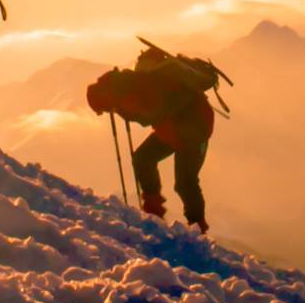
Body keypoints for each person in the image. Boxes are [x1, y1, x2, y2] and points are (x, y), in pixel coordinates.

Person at [85, 44, 225, 233]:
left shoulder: (127, 93)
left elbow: (150, 114)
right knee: (163, 170)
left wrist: (125, 112)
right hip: (176, 128)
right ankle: (165, 216)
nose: (105, 113)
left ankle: (195, 228)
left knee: (182, 181)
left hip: (194, 130)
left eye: (103, 110)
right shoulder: (125, 86)